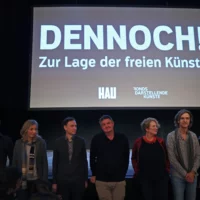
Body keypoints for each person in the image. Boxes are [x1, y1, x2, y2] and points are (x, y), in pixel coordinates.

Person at [90, 115, 129, 200]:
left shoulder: (122, 138)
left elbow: (126, 157)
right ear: (101, 127)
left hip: (119, 180)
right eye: (103, 124)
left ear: (113, 124)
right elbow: (92, 158)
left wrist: (123, 174)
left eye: (108, 123)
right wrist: (94, 174)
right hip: (102, 180)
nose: (106, 126)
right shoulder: (96, 139)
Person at [131, 117, 169, 200]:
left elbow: (166, 157)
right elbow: (133, 157)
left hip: (160, 178)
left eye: (156, 126)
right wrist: (137, 171)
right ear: (147, 129)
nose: (156, 128)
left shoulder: (161, 141)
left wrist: (167, 170)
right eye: (153, 126)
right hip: (144, 178)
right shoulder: (138, 142)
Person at [167, 109, 200, 200]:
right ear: (178, 120)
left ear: (190, 121)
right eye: (182, 118)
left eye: (187, 118)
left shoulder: (193, 136)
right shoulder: (171, 136)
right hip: (177, 176)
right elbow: (171, 158)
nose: (185, 120)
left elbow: (198, 155)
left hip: (193, 175)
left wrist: (192, 172)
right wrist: (185, 174)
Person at [52, 117, 88, 200]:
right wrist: (54, 182)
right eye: (72, 126)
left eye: (75, 126)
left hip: (78, 180)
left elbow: (84, 161)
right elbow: (55, 162)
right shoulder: (58, 142)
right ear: (65, 127)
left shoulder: (81, 141)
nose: (75, 128)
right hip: (63, 180)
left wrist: (85, 180)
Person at [12, 119, 48, 200]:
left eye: (35, 129)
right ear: (26, 130)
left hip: (37, 180)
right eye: (31, 129)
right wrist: (15, 180)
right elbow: (15, 162)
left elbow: (44, 163)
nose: (34, 131)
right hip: (22, 180)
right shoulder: (18, 143)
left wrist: (44, 181)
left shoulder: (41, 143)